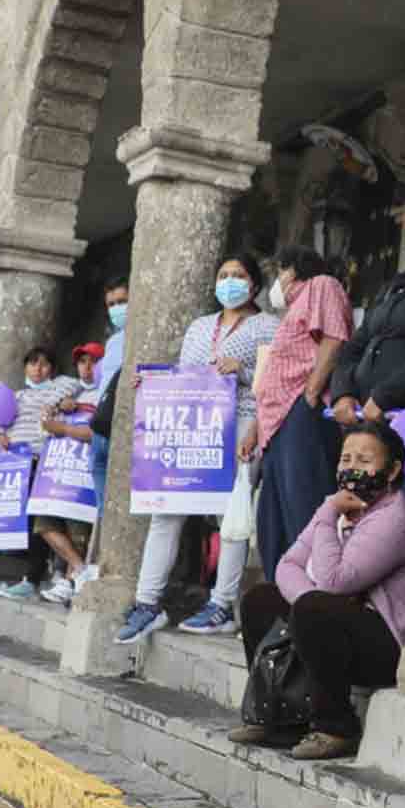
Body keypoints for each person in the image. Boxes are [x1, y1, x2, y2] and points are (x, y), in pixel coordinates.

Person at [228, 421, 405, 760]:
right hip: (334, 622)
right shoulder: (339, 509)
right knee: (261, 599)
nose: (352, 468)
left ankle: (336, 727)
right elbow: (287, 564)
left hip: (385, 644)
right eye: (346, 459)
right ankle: (279, 714)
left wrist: (328, 515)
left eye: (364, 460)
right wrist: (306, 605)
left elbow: (334, 581)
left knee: (314, 609)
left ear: (392, 470)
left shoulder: (394, 517)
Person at [117, 252, 281, 643]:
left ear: (254, 284)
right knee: (166, 511)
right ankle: (147, 604)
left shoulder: (267, 327)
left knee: (231, 517)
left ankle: (222, 606)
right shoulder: (199, 326)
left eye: (238, 275)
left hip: (239, 422)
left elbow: (273, 382)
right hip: (189, 425)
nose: (229, 282)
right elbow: (183, 374)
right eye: (223, 275)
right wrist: (154, 385)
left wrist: (243, 386)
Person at [249, 245, 353, 580]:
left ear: (293, 269)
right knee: (272, 520)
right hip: (275, 422)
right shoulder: (291, 310)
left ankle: (312, 594)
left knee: (303, 510)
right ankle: (283, 598)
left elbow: (334, 338)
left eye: (280, 271)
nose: (277, 281)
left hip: (299, 412)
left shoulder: (322, 285)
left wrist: (310, 394)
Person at [0, 347, 83, 604]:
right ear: (25, 367)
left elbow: (73, 384)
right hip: (12, 463)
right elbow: (0, 421)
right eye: (33, 363)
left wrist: (56, 401)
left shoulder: (59, 386)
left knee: (38, 523)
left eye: (45, 364)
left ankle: (31, 580)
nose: (38, 369)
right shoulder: (17, 396)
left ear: (52, 369)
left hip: (39, 461)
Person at [331, 198, 405, 429]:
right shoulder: (394, 287)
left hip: (404, 412)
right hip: (362, 412)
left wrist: (386, 396)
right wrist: (343, 392)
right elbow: (354, 346)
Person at [36, 342, 106, 605]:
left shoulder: (104, 393)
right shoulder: (69, 392)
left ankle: (71, 580)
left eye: (93, 361)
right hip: (58, 470)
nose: (87, 368)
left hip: (84, 474)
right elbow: (44, 426)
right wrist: (54, 413)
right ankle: (79, 570)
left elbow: (95, 434)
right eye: (82, 362)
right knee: (44, 525)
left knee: (78, 532)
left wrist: (63, 427)